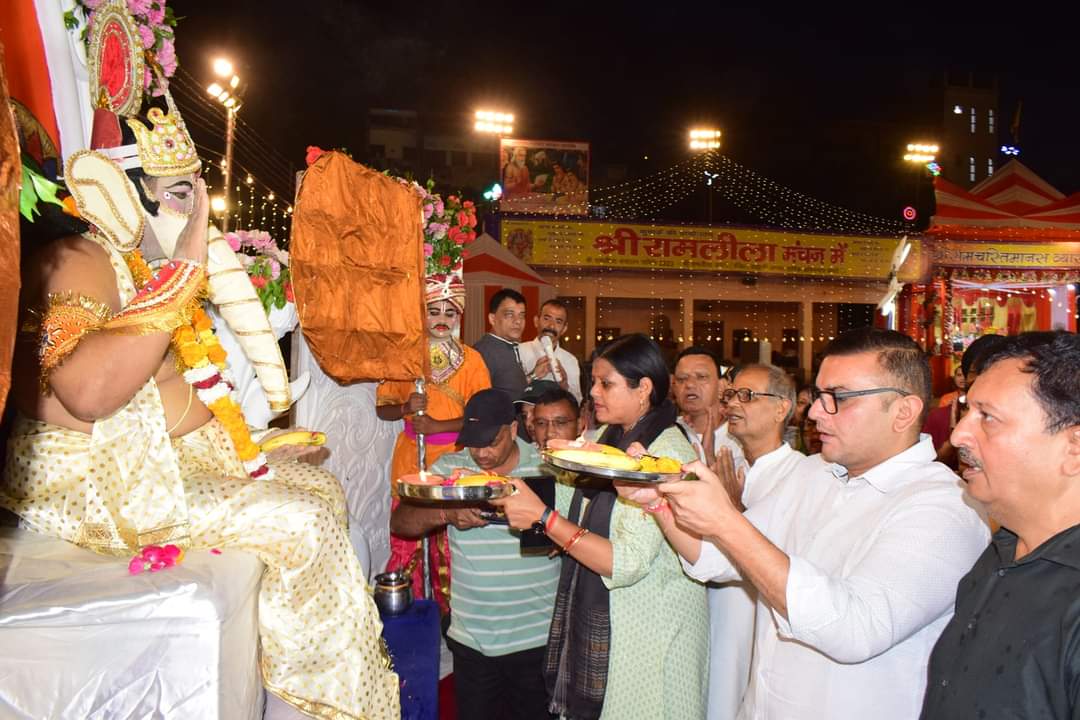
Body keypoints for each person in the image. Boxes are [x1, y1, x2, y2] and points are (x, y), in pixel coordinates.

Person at [3, 103, 399, 718]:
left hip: (158, 462)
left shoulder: (132, 265)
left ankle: (297, 671)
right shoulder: (80, 259)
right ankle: (318, 701)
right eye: (180, 192)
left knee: (321, 487)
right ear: (122, 194)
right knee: (303, 521)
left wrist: (241, 444)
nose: (196, 212)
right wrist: (185, 270)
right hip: (98, 482)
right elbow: (86, 393)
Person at [654, 328, 989, 719]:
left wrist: (728, 522)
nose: (813, 412)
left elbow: (853, 628)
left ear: (904, 411)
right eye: (818, 397)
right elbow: (717, 556)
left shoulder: (945, 507)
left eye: (839, 399)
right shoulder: (813, 474)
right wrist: (658, 500)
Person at [493, 333, 707, 720]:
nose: (593, 392)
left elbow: (626, 562)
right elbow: (574, 502)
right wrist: (500, 492)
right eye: (593, 382)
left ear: (643, 388)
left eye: (605, 383)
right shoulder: (612, 439)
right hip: (612, 621)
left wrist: (544, 520)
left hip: (649, 633)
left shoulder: (664, 455)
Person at [630, 362, 804, 720]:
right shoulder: (730, 464)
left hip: (761, 623)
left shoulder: (800, 474)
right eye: (730, 396)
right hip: (716, 613)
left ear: (781, 408)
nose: (733, 405)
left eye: (747, 396)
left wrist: (733, 512)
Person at [921, 331, 1080, 719]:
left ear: (1074, 447)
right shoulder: (999, 555)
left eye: (988, 418)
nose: (958, 434)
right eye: (966, 410)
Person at [389, 389, 560, 720]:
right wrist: (448, 514)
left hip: (537, 637)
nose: (480, 453)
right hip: (473, 640)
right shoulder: (452, 468)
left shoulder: (545, 467)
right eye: (473, 442)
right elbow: (401, 523)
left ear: (512, 430)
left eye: (491, 441)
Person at [375, 272, 491, 613]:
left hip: (455, 460)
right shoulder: (404, 357)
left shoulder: (473, 361)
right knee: (408, 537)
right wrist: (405, 408)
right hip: (411, 458)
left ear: (459, 317)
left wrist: (439, 424)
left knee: (449, 545)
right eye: (434, 311)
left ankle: (450, 619)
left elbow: (481, 417)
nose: (441, 320)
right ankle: (411, 613)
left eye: (449, 312)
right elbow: (382, 410)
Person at [672, 347, 743, 472]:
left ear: (721, 386)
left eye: (701, 377)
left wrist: (710, 459)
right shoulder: (666, 431)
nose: (689, 384)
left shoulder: (740, 438)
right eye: (681, 379)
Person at [518, 299, 583, 403]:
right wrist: (533, 375)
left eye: (558, 321)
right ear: (536, 321)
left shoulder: (570, 360)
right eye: (547, 318)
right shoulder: (519, 352)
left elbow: (577, 402)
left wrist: (564, 384)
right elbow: (508, 395)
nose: (551, 326)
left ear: (564, 328)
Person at [474, 288, 529, 401]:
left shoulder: (508, 346)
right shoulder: (483, 352)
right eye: (509, 315)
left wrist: (534, 375)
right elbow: (479, 403)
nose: (517, 321)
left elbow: (509, 387)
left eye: (521, 315)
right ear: (492, 319)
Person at [513, 378, 562, 443]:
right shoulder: (527, 451)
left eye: (534, 412)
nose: (528, 423)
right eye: (524, 416)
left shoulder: (575, 451)